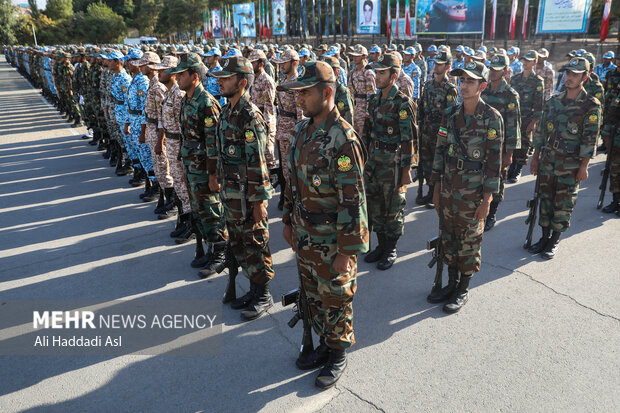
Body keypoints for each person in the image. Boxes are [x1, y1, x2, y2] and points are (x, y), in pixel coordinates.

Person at [279, 61, 368, 390]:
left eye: (306, 93)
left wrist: (347, 251)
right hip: (304, 232)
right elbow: (292, 181)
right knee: (313, 293)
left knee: (336, 297)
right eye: (298, 93)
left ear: (327, 93)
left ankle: (338, 352)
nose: (299, 99)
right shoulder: (302, 131)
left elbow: (353, 201)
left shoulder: (343, 139)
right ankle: (323, 342)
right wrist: (288, 219)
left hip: (332, 237)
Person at [429, 60, 504, 312]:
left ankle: (462, 289)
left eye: (470, 81)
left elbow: (495, 162)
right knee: (449, 237)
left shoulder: (492, 118)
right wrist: (436, 190)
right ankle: (451, 284)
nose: (464, 85)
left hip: (473, 193)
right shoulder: (450, 114)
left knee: (469, 241)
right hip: (450, 188)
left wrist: (487, 200)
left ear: (482, 85)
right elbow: (440, 153)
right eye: (462, 80)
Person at [211, 57, 275, 321]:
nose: (220, 81)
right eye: (220, 77)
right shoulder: (227, 111)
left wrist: (260, 201)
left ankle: (263, 294)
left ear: (242, 82)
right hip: (231, 195)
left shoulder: (250, 116)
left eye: (226, 78)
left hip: (248, 197)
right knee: (238, 243)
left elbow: (258, 162)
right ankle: (251, 289)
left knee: (255, 243)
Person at [528, 57, 601, 259]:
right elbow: (542, 131)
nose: (569, 78)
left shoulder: (590, 105)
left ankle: (554, 240)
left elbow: (590, 138)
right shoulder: (554, 101)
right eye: (568, 73)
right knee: (546, 199)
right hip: (549, 159)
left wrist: (584, 166)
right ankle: (543, 238)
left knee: (564, 202)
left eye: (575, 74)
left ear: (584, 77)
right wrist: (535, 157)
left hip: (571, 163)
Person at [362, 53, 417, 270]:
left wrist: (406, 172)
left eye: (381, 72)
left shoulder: (403, 103)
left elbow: (408, 139)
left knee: (393, 209)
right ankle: (380, 246)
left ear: (393, 76)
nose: (376, 76)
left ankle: (390, 249)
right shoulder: (374, 100)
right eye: (376, 72)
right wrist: (364, 161)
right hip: (375, 163)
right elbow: (367, 134)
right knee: (376, 207)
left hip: (393, 165)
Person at [481, 53, 521, 231]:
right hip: (481, 145)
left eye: (496, 70)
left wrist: (509, 154)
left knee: (497, 181)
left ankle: (492, 213)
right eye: (490, 68)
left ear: (505, 71)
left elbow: (513, 126)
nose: (492, 72)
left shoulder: (510, 95)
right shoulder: (484, 90)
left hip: (500, 147)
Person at [417, 49, 458, 207]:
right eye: (435, 63)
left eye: (440, 64)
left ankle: (437, 194)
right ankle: (430, 190)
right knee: (426, 163)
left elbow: (451, 113)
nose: (436, 66)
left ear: (448, 67)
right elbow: (422, 105)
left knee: (438, 163)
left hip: (440, 134)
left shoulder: (450, 89)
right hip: (426, 131)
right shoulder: (428, 86)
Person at [143, 54, 175, 218]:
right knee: (159, 167)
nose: (160, 72)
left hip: (159, 130)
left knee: (164, 167)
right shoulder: (153, 84)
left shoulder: (159, 88)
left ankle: (172, 201)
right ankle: (165, 197)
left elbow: (163, 116)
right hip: (153, 129)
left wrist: (160, 140)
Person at [273, 49, 304, 210]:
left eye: (284, 63)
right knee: (285, 171)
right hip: (282, 132)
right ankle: (288, 200)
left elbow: (300, 113)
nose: (281, 66)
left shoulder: (297, 82)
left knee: (293, 170)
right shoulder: (285, 81)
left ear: (294, 63)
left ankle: (296, 203)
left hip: (292, 132)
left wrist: (299, 136)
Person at [508, 50, 544, 183]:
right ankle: (510, 166)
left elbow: (539, 104)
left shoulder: (537, 81)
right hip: (513, 117)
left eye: (529, 61)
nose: (525, 63)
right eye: (524, 60)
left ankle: (517, 169)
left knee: (524, 144)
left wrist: (534, 122)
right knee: (512, 142)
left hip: (527, 118)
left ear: (534, 63)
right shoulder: (515, 79)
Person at [248, 50, 278, 173]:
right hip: (255, 119)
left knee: (268, 154)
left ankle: (271, 180)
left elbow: (269, 107)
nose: (251, 65)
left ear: (260, 64)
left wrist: (265, 126)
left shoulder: (267, 80)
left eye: (253, 63)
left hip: (265, 121)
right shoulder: (253, 79)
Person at [600, 55, 620, 215]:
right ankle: (615, 201)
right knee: (615, 170)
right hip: (617, 137)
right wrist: (606, 135)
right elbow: (611, 112)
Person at [348, 45, 376, 137]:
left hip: (364, 109)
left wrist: (368, 113)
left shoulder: (368, 73)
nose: (354, 58)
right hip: (354, 108)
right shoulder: (353, 72)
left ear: (364, 57)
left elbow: (371, 95)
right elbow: (350, 92)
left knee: (362, 136)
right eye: (353, 56)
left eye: (357, 56)